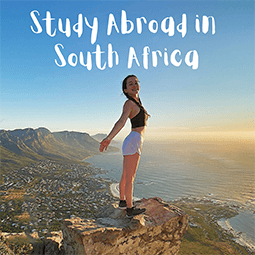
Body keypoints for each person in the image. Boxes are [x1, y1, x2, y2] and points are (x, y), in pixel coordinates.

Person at [99, 74, 150, 218]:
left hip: (132, 141)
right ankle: (129, 209)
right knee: (130, 178)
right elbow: (121, 122)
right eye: (130, 84)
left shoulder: (137, 102)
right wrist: (109, 138)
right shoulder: (129, 103)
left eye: (136, 82)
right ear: (125, 90)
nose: (134, 85)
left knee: (125, 175)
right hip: (134, 141)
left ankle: (122, 201)